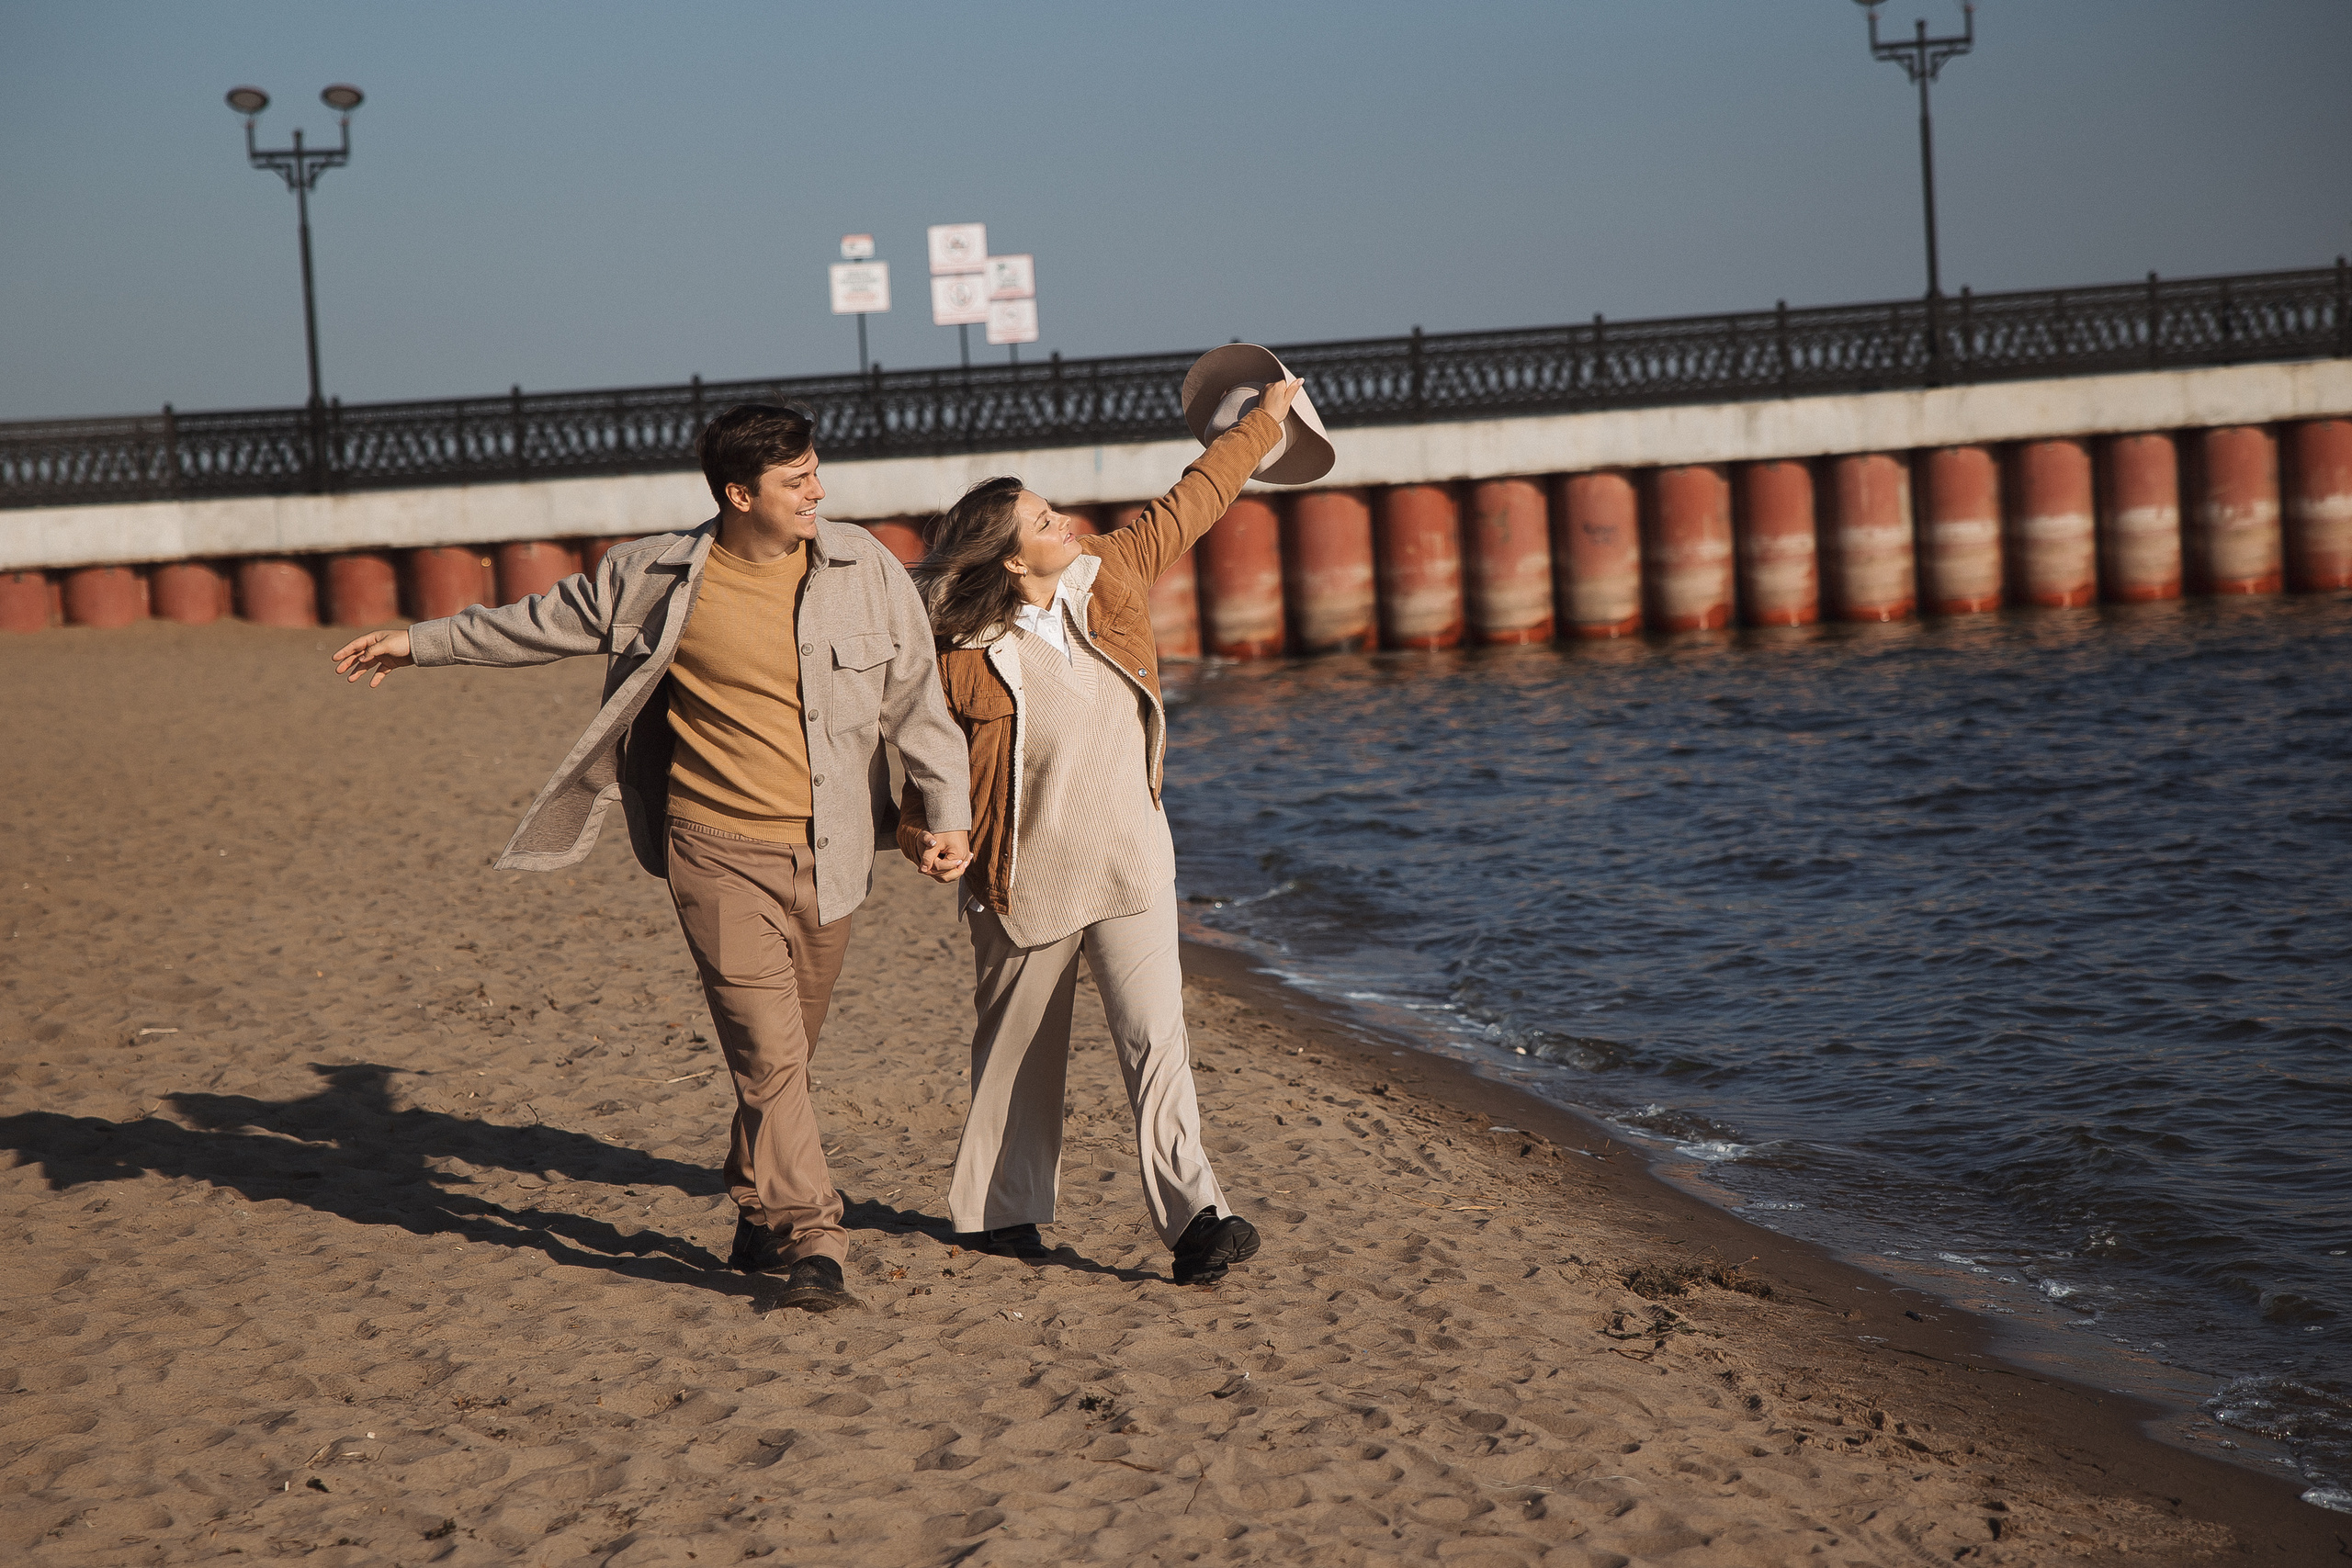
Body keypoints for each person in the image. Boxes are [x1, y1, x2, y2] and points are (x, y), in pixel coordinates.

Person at [331, 402, 973, 1313]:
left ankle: (757, 1201)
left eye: (815, 471)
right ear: (738, 493)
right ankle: (813, 1239)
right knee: (767, 1053)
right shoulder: (656, 574)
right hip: (712, 847)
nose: (816, 491)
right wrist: (418, 643)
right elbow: (536, 622)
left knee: (787, 1048)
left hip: (828, 855)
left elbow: (918, 702)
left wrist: (946, 812)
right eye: (796, 481)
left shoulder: (862, 566)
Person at [897, 375, 1306, 1285]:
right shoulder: (951, 651)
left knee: (1155, 1043)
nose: (1063, 524)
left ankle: (1197, 1219)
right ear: (1009, 560)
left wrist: (1262, 423)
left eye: (1052, 511)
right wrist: (926, 834)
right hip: (1020, 874)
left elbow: (1194, 497)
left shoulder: (1109, 575)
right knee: (1017, 1055)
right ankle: (1004, 1216)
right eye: (1042, 522)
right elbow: (924, 767)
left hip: (1129, 859)